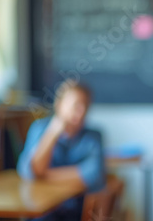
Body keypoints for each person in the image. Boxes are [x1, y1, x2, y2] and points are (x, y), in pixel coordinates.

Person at [17, 80, 106, 221]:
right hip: (41, 209)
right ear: (59, 105)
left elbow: (94, 175)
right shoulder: (40, 128)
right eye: (76, 105)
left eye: (86, 106)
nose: (82, 111)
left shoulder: (93, 137)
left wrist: (42, 176)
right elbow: (28, 171)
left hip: (76, 210)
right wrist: (53, 132)